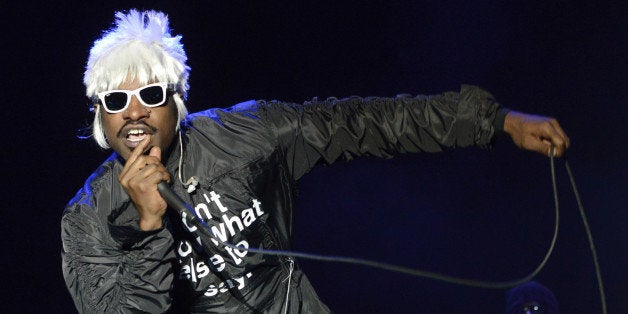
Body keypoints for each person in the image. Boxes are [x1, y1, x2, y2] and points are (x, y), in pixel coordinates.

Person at [61, 9, 570, 313]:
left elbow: (363, 123)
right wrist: (150, 228)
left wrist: (494, 120)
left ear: (175, 102)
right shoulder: (88, 219)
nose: (134, 112)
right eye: (114, 100)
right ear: (100, 117)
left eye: (149, 92)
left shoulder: (246, 136)